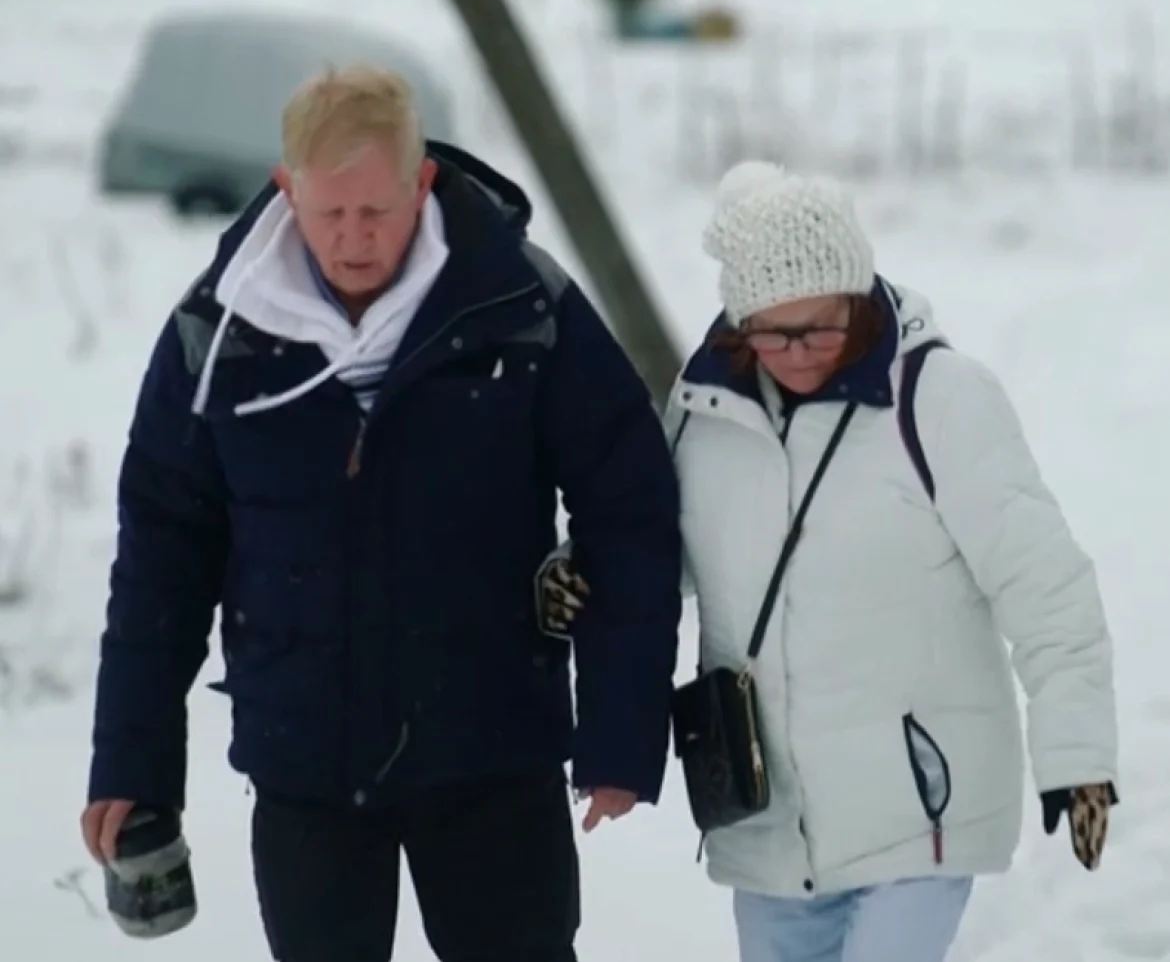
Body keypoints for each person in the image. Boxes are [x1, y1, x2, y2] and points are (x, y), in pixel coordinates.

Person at [82, 65, 683, 962]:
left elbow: (628, 503)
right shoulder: (221, 337)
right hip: (305, 765)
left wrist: (621, 729)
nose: (355, 240)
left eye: (378, 212)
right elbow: (160, 561)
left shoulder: (517, 303)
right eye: (330, 215)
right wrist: (132, 765)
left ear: (422, 184)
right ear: (288, 190)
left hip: (491, 751)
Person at [540, 162, 1119, 962]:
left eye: (820, 327)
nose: (797, 352)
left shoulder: (940, 399)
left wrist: (1079, 756)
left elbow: (1045, 584)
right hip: (768, 820)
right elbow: (659, 550)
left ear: (856, 295)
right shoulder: (704, 410)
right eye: (771, 332)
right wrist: (581, 573)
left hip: (921, 808)